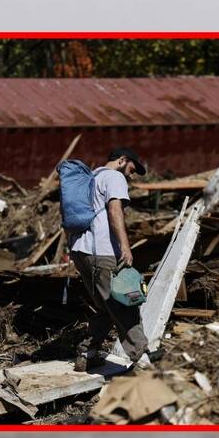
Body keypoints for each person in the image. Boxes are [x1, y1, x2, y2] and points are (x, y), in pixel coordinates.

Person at [69, 147, 153, 372]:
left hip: (80, 252)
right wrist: (125, 246)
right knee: (124, 304)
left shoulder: (91, 177)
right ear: (122, 160)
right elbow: (115, 211)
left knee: (106, 307)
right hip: (102, 252)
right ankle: (143, 361)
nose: (130, 175)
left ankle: (88, 352)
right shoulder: (114, 177)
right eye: (131, 169)